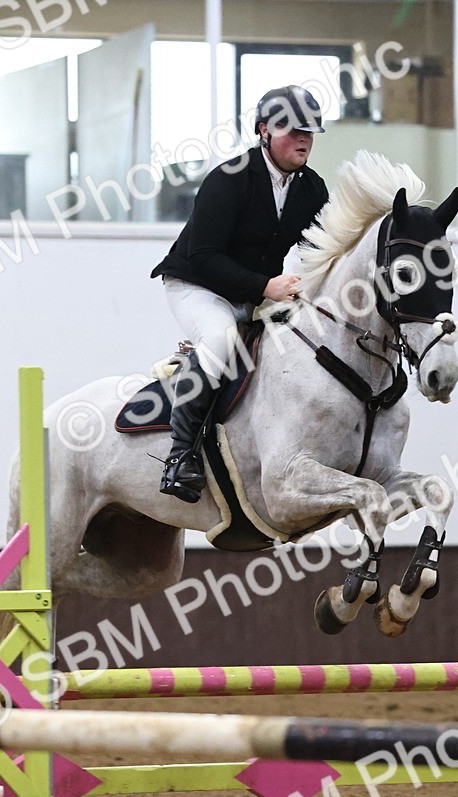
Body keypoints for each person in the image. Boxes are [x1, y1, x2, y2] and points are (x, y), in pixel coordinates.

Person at [150, 85, 330, 503]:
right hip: (197, 286)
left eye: (311, 132)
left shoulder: (313, 189)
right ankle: (179, 458)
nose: (304, 139)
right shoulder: (228, 179)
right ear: (264, 130)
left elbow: (318, 252)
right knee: (219, 337)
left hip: (252, 296)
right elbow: (204, 255)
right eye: (293, 130)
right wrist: (265, 286)